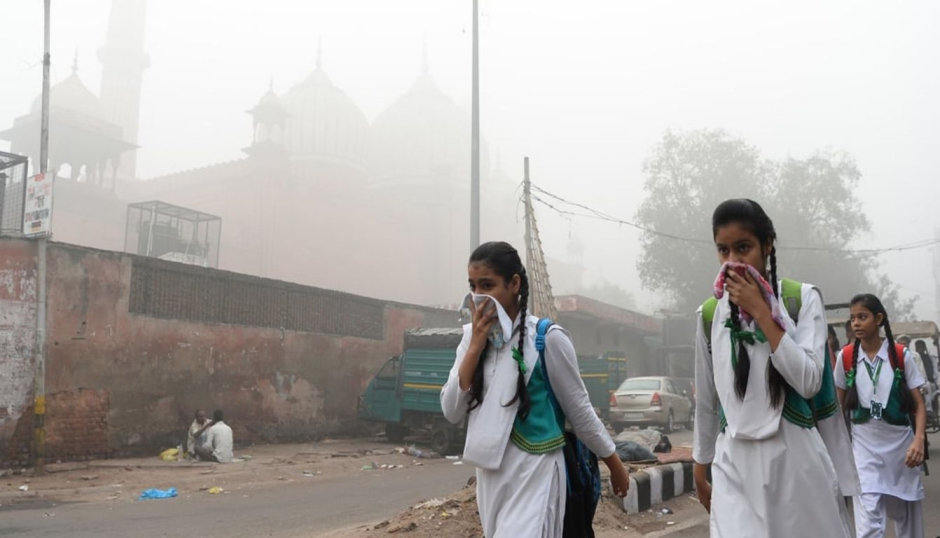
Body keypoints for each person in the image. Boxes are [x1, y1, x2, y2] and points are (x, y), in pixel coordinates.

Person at [440, 241, 630, 538]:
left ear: (514, 283)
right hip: (491, 477)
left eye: (488, 285)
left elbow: (580, 411)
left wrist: (615, 464)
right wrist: (476, 346)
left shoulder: (547, 339)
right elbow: (451, 410)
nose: (478, 297)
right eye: (473, 286)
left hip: (537, 470)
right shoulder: (469, 340)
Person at [693, 199, 855, 537]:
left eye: (743, 248)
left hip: (795, 464)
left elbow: (809, 381)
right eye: (723, 251)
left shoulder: (801, 299)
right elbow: (707, 401)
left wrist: (764, 314)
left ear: (767, 246)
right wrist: (700, 466)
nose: (733, 262)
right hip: (733, 466)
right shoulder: (709, 314)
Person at [834, 294, 927, 538]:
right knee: (868, 521)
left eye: (862, 317)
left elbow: (918, 404)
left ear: (878, 319)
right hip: (864, 449)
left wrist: (918, 440)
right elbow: (836, 408)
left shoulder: (900, 356)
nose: (855, 323)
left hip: (901, 449)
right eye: (853, 318)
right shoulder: (845, 358)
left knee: (907, 519)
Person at [914, 340, 938, 414]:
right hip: (916, 384)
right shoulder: (914, 358)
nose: (919, 349)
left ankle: (928, 409)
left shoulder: (931, 358)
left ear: (924, 347)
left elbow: (935, 372)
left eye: (921, 346)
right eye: (918, 347)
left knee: (926, 387)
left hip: (930, 383)